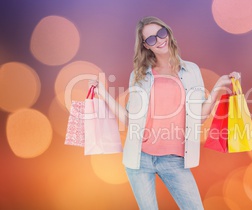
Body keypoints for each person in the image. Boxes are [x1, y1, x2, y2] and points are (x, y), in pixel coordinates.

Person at [92, 16, 240, 209]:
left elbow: (199, 118)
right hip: (140, 159)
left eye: (161, 33)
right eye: (151, 39)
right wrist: (103, 93)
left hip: (174, 160)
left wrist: (219, 86)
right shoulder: (139, 75)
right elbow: (130, 120)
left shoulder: (191, 70)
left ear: (168, 32)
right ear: (146, 45)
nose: (160, 40)